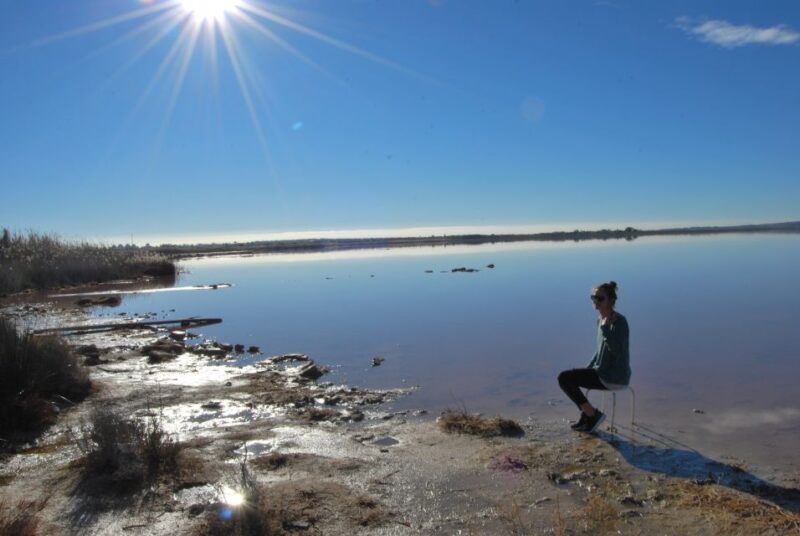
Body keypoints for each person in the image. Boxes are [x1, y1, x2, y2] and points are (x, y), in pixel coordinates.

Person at [557, 281, 630, 433]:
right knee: (568, 378)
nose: (595, 301)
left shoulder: (619, 322)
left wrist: (606, 329)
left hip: (614, 377)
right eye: (593, 297)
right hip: (602, 372)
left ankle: (592, 415)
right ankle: (588, 415)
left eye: (600, 298)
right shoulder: (600, 320)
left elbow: (617, 351)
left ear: (611, 300)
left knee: (564, 378)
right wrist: (588, 368)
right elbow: (600, 351)